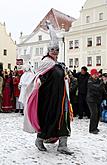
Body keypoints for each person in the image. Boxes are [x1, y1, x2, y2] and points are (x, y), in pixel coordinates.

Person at [23, 21, 73, 155]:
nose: (55, 52)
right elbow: (39, 76)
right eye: (52, 49)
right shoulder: (46, 62)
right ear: (48, 50)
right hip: (49, 99)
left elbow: (62, 77)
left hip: (61, 98)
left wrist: (66, 78)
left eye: (57, 50)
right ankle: (39, 140)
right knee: (49, 119)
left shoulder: (59, 65)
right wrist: (38, 81)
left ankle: (63, 145)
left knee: (64, 120)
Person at [87, 69, 107, 134]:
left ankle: (95, 127)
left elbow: (102, 89)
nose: (96, 75)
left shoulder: (99, 80)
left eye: (97, 74)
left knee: (98, 114)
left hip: (97, 100)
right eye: (95, 74)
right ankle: (92, 129)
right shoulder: (89, 81)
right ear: (92, 74)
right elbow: (97, 88)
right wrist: (102, 82)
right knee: (94, 113)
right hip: (91, 100)